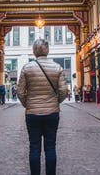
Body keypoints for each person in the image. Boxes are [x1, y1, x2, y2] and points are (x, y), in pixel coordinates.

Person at [17, 39, 68, 175]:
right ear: (48, 50)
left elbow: (20, 92)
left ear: (34, 51)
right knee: (50, 147)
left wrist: (28, 104)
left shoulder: (27, 68)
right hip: (52, 113)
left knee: (34, 147)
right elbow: (64, 91)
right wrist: (55, 102)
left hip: (32, 113)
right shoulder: (57, 68)